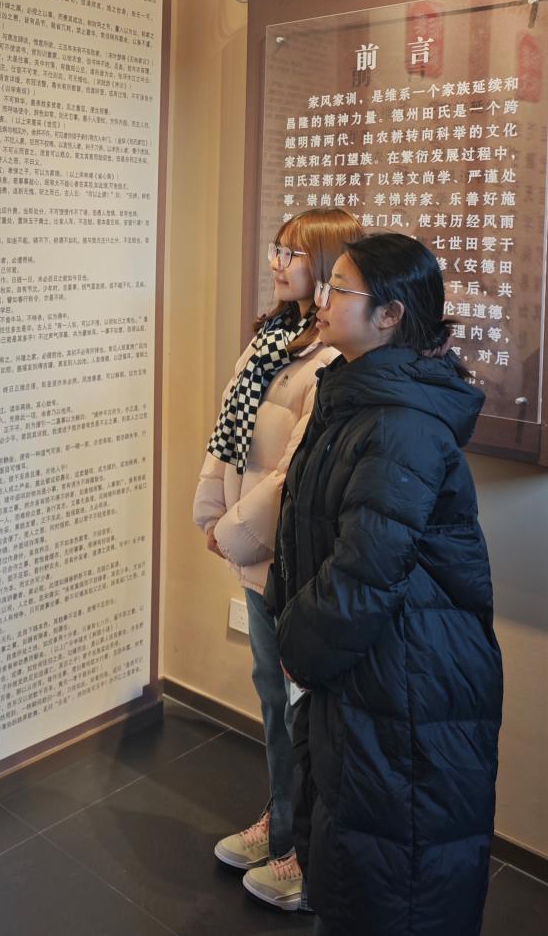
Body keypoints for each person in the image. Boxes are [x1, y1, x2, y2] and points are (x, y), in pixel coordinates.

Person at [270, 232, 503, 936]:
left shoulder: (400, 424)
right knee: (360, 859)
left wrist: (296, 648)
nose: (323, 298)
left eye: (339, 288)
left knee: (393, 877)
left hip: (406, 677)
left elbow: (363, 572)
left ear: (391, 315)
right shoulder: (359, 396)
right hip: (372, 667)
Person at [194, 207, 362, 912]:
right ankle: (280, 819)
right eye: (276, 248)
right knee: (271, 694)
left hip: (290, 556)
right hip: (251, 548)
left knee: (303, 708)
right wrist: (213, 513)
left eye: (291, 253)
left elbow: (293, 475)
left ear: (325, 267)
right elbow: (228, 433)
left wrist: (234, 529)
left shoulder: (329, 359)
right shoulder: (271, 338)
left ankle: (303, 853)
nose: (276, 262)